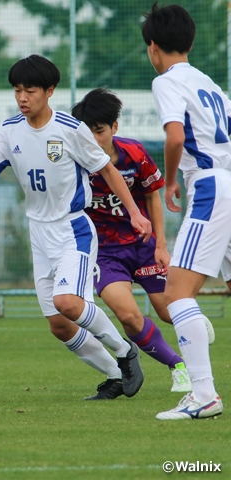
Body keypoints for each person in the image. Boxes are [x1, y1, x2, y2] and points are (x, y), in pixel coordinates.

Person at [0, 55, 150, 399]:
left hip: (73, 230)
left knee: (68, 302)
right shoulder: (10, 131)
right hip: (38, 233)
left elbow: (108, 170)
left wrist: (135, 214)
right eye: (17, 90)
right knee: (59, 324)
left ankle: (126, 353)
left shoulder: (70, 129)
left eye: (30, 90)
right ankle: (114, 376)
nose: (22, 97)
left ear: (50, 91)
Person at [72, 88, 192, 395]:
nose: (94, 140)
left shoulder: (134, 153)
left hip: (143, 247)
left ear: (114, 127)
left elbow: (152, 194)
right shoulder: (75, 161)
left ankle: (196, 340)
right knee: (126, 314)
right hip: (104, 254)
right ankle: (178, 366)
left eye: (100, 131)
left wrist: (161, 245)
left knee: (168, 311)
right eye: (87, 132)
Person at [142, 3, 228, 420]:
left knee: (175, 294)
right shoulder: (210, 84)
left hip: (213, 187)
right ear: (191, 42)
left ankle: (204, 396)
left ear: (152, 48)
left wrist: (171, 180)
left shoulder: (167, 82)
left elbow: (175, 137)